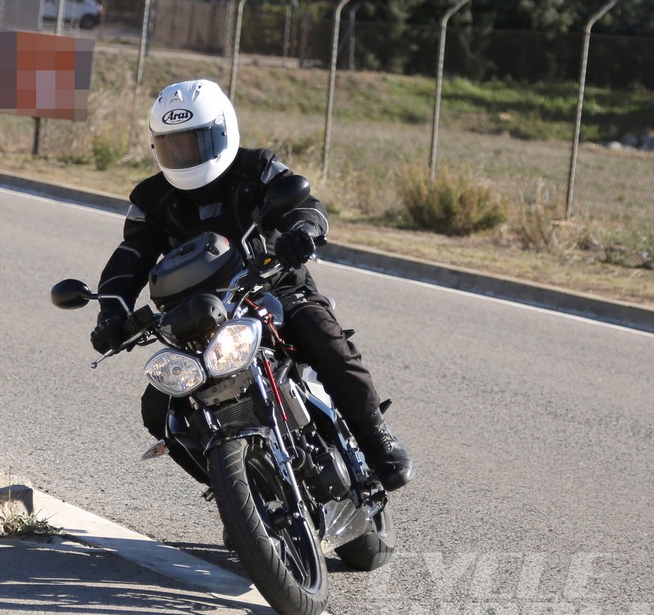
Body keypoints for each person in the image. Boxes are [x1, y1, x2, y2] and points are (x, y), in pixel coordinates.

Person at [90, 79, 414, 492]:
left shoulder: (256, 167)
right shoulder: (151, 197)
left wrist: (302, 232)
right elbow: (130, 258)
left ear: (224, 130)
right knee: (160, 409)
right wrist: (111, 312)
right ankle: (236, 492)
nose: (186, 154)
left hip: (272, 285)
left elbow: (304, 205)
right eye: (175, 145)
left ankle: (376, 438)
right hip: (199, 316)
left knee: (327, 341)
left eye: (196, 142)